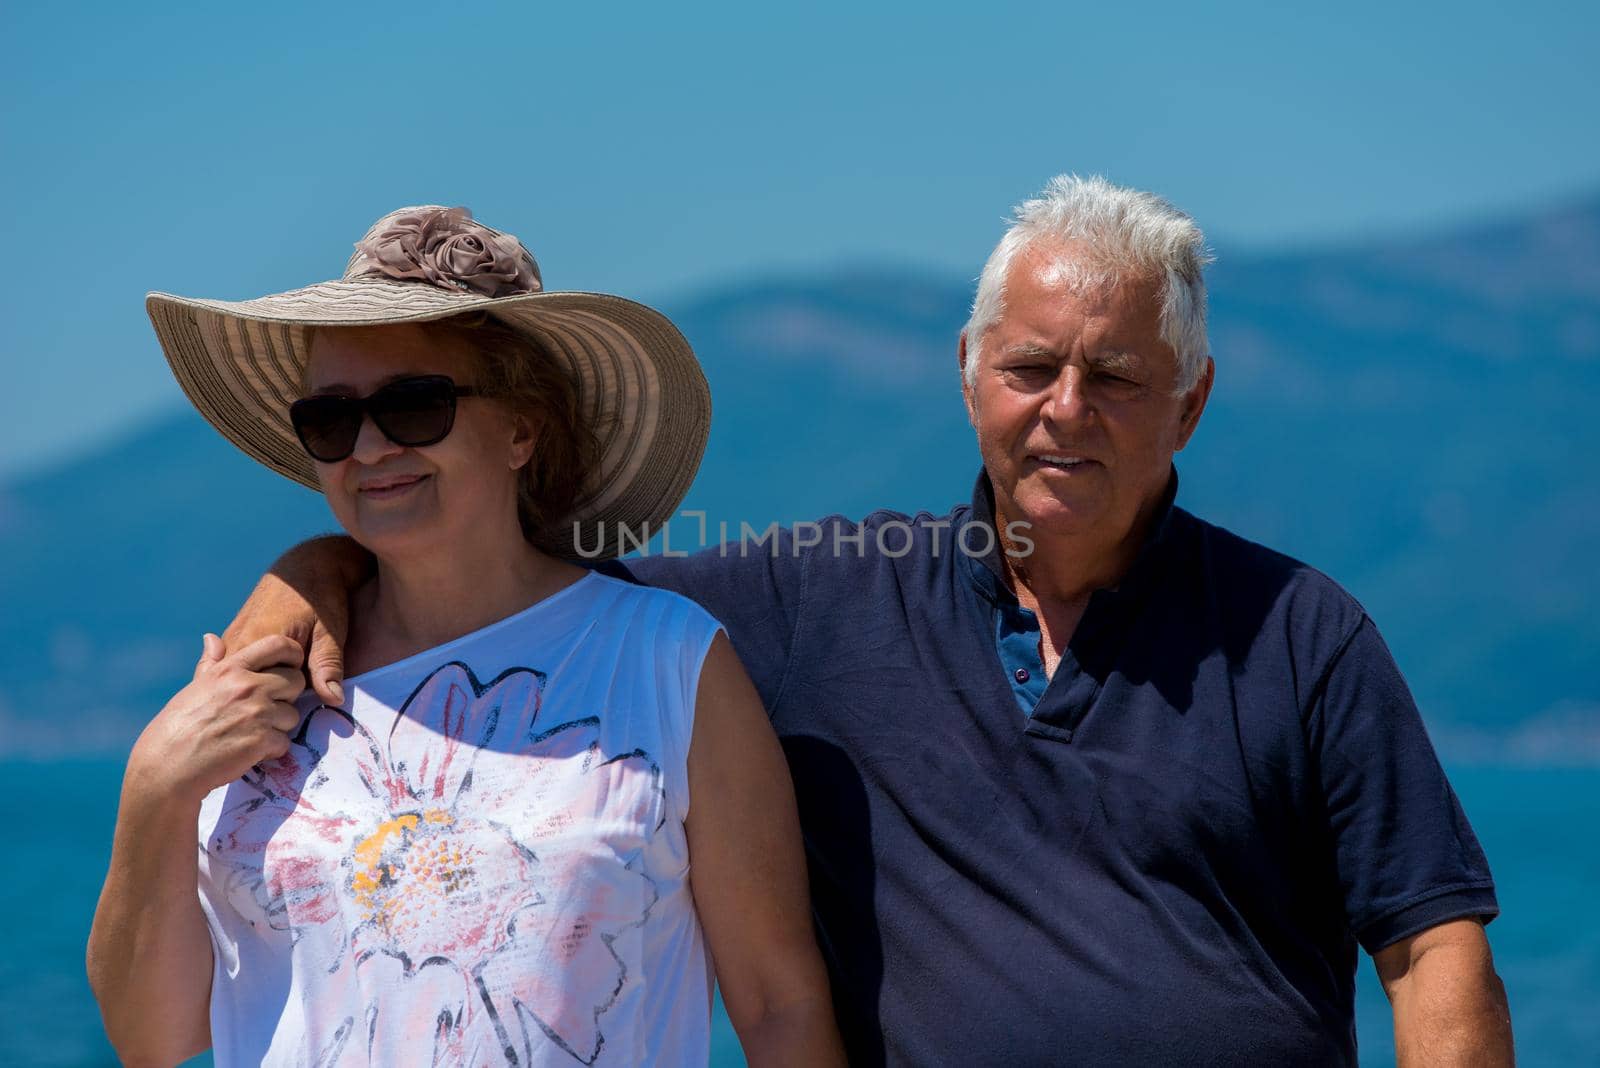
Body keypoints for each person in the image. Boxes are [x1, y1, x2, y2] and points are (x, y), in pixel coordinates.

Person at [219, 178, 1515, 1065]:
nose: (1067, 407)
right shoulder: (810, 601)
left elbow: (1433, 948)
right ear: (968, 379)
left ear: (1191, 403)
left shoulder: (1299, 633)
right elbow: (514, 574)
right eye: (1030, 367)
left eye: (1116, 377)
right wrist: (316, 567)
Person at [86, 206, 845, 1067]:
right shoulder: (262, 687)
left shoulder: (668, 661)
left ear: (523, 429)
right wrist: (154, 790)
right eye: (330, 421)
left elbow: (780, 1005)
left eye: (415, 405)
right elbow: (153, 1038)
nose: (369, 447)